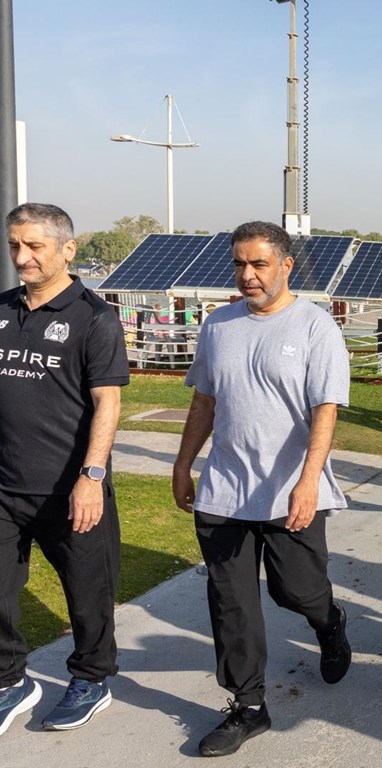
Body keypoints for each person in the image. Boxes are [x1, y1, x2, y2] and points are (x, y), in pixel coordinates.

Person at [172, 221, 352, 758]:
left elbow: (325, 411)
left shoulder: (315, 326)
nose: (247, 275)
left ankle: (329, 622)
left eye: (259, 264)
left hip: (289, 490)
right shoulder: (218, 325)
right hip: (225, 489)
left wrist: (308, 481)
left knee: (296, 590)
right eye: (239, 264)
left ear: (286, 265)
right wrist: (183, 464)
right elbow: (204, 400)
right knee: (231, 601)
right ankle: (248, 706)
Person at [0, 203, 129, 736]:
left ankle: (91, 679)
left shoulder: (94, 317)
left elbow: (107, 403)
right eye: (15, 245)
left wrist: (91, 477)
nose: (22, 257)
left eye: (34, 246)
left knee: (88, 593)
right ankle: (10, 681)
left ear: (67, 249)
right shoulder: (2, 309)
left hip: (69, 488)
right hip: (4, 485)